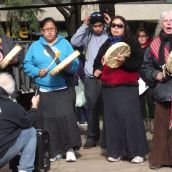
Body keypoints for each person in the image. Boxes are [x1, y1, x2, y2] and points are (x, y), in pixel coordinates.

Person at [23, 17, 82, 162]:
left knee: (67, 118)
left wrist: (68, 67)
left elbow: (75, 63)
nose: (50, 32)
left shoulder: (65, 44)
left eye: (53, 29)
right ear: (42, 31)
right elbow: (26, 64)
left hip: (62, 89)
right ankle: (53, 151)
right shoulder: (35, 46)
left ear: (56, 30)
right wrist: (37, 71)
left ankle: (69, 150)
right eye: (47, 29)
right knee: (48, 122)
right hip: (44, 90)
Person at [93, 16, 148, 163]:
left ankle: (137, 152)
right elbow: (97, 63)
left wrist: (125, 61)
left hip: (127, 88)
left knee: (131, 120)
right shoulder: (106, 43)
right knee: (112, 121)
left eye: (120, 25)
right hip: (109, 89)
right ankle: (115, 151)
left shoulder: (132, 42)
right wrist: (97, 70)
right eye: (113, 25)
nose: (116, 28)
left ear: (125, 27)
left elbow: (138, 61)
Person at [71, 12, 111, 148]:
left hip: (108, 76)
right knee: (91, 108)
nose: (98, 28)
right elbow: (74, 42)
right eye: (95, 26)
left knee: (109, 108)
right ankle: (92, 136)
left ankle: (109, 138)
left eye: (100, 25)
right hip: (91, 77)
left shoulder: (110, 33)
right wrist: (84, 25)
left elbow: (122, 38)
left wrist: (111, 24)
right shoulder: (87, 34)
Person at [141, 10, 172, 169]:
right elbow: (145, 67)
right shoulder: (153, 45)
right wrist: (154, 74)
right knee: (160, 128)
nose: (169, 23)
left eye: (171, 20)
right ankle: (158, 159)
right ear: (161, 24)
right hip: (162, 92)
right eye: (165, 20)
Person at [0, 72, 40, 172]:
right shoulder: (11, 106)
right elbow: (29, 121)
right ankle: (25, 169)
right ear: (10, 90)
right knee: (30, 131)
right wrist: (34, 106)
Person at [136, 27, 155, 133]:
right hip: (139, 80)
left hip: (149, 78)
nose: (141, 38)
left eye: (143, 36)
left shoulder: (152, 47)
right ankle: (143, 123)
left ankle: (152, 123)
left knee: (151, 102)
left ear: (147, 37)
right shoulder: (135, 48)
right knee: (140, 102)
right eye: (139, 36)